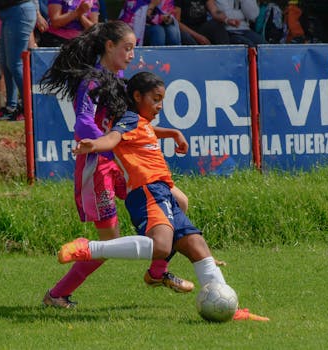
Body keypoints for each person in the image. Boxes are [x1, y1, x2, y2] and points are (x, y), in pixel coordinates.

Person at [64, 71, 269, 322]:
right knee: (160, 246)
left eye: (162, 99)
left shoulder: (138, 122)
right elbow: (114, 137)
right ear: (137, 96)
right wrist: (93, 145)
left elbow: (145, 130)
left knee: (197, 246)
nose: (160, 105)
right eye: (156, 99)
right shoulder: (127, 119)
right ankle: (89, 248)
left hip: (162, 192)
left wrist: (172, 133)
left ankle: (231, 309)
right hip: (147, 192)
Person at [39, 21, 194, 308]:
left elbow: (131, 128)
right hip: (98, 167)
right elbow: (84, 122)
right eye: (128, 47)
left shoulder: (120, 81)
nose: (132, 54)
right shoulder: (92, 81)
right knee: (109, 242)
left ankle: (157, 272)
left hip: (123, 164)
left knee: (178, 201)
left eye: (134, 48)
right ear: (109, 46)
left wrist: (171, 132)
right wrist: (101, 144)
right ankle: (57, 295)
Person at [0, 0, 38, 121]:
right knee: (5, 64)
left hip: (19, 11)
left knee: (15, 65)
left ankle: (30, 108)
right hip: (10, 13)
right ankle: (11, 107)